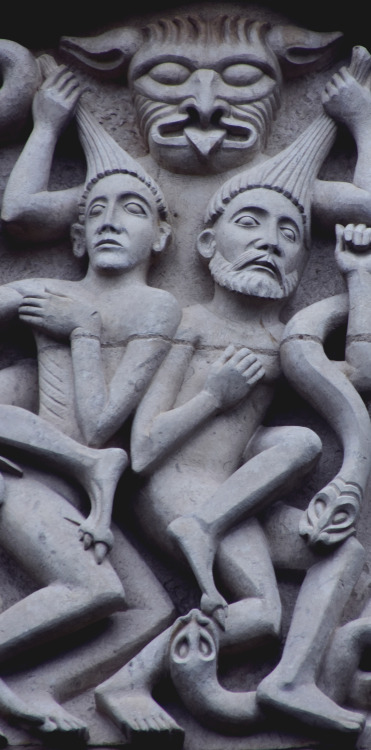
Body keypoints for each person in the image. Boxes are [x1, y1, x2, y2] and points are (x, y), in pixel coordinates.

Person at [94, 110, 370, 743]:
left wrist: (357, 275)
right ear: (208, 243)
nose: (270, 241)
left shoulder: (287, 338)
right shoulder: (185, 322)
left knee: (339, 542)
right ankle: (128, 678)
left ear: (303, 261)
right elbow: (140, 449)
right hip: (175, 490)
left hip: (229, 499)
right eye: (250, 223)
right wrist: (216, 397)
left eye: (290, 232)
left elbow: (361, 370)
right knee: (261, 613)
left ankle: (291, 678)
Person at [0, 106, 180, 737]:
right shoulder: (42, 290)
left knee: (150, 609)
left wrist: (80, 331)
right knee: (94, 590)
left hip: (78, 474)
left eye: (131, 208)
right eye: (95, 211)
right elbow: (15, 214)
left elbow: (103, 424)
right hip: (25, 472)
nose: (110, 221)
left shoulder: (155, 307)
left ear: (161, 235)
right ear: (75, 237)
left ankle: (37, 684)